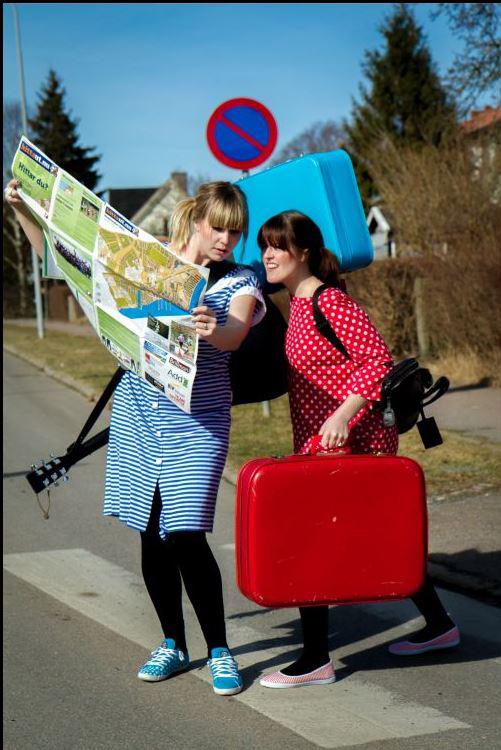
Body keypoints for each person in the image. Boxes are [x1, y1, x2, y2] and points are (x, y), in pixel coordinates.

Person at [4, 178, 265, 696]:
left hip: (198, 423)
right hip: (140, 414)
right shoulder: (149, 258)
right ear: (196, 220)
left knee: (186, 532)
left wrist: (213, 328)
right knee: (150, 531)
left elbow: (236, 331)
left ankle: (219, 650)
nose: (225, 242)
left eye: (234, 234)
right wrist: (23, 213)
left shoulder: (240, 280)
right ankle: (173, 641)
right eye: (218, 229)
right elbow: (66, 263)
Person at [256, 210, 459, 689]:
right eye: (265, 245)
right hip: (320, 444)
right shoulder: (294, 304)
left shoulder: (329, 301)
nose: (267, 254)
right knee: (376, 537)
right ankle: (440, 625)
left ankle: (315, 658)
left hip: (355, 440)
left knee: (312, 540)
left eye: (278, 246)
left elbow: (376, 361)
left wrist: (342, 416)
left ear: (303, 252)